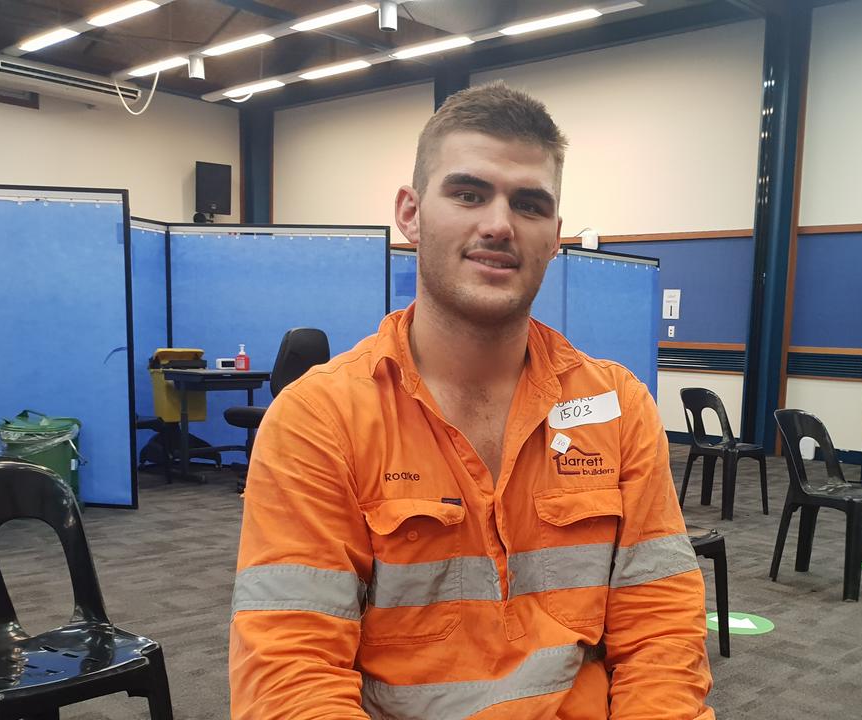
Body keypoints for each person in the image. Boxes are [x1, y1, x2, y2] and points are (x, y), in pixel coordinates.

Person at [229, 81, 714, 720]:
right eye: (468, 193)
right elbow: (291, 676)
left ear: (556, 235)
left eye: (530, 204)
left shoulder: (616, 405)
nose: (498, 224)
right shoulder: (320, 420)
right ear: (410, 212)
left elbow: (660, 631)